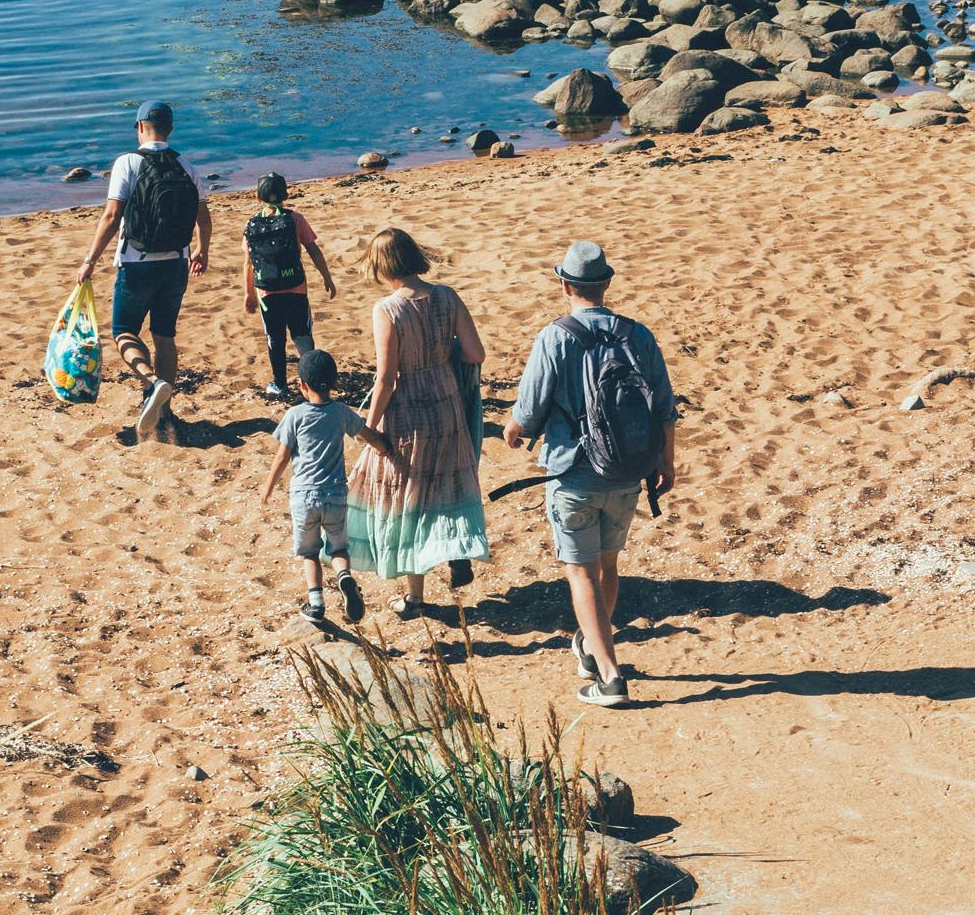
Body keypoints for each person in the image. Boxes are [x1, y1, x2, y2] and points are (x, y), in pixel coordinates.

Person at [502, 240, 677, 708]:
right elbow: (664, 404)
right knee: (608, 566)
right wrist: (667, 460)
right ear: (605, 284)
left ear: (565, 285)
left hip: (574, 473)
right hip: (627, 469)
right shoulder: (636, 334)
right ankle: (588, 649)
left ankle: (610, 677)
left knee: (579, 572)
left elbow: (531, 408)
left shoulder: (555, 337)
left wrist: (513, 431)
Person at [346, 227, 490, 620]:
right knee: (450, 480)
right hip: (446, 402)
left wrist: (368, 427)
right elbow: (475, 353)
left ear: (382, 266)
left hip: (407, 411)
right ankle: (457, 550)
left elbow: (386, 378)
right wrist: (441, 350)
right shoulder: (446, 295)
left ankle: (414, 598)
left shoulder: (387, 309)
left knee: (407, 498)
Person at [76, 100, 210, 442]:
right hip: (177, 262)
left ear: (139, 127)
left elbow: (111, 216)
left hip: (137, 264)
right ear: (171, 128)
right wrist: (201, 251)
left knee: (123, 332)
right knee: (164, 334)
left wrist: (90, 259)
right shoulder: (187, 166)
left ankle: (152, 383)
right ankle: (165, 412)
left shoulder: (128, 163)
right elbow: (204, 219)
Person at [257, 348, 396, 626]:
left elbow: (282, 456)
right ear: (334, 383)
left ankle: (316, 603)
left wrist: (268, 486)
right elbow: (369, 437)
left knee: (309, 552)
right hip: (334, 494)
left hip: (303, 497)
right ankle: (344, 576)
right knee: (338, 548)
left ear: (302, 385)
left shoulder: (295, 415)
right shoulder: (341, 413)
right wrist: (385, 448)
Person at [241, 171, 337, 401]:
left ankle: (280, 384)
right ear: (286, 195)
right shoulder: (295, 220)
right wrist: (327, 277)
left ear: (256, 197)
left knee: (275, 338)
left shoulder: (251, 225)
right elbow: (313, 249)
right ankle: (312, 381)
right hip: (296, 289)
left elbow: (248, 264)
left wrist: (249, 294)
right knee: (302, 335)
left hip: (267, 293)